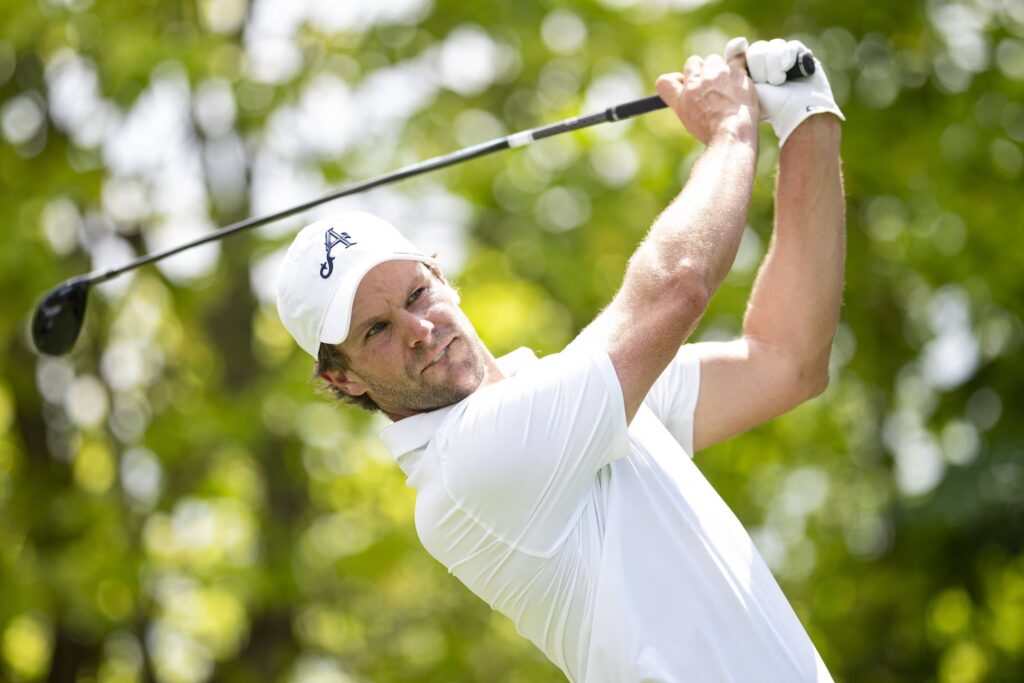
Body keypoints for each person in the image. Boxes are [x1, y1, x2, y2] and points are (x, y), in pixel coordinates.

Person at [275, 36, 845, 683]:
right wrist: (732, 127)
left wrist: (807, 116)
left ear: (440, 272)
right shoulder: (466, 466)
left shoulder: (569, 399)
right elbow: (678, 285)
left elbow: (787, 360)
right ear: (341, 375)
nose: (418, 328)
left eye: (416, 292)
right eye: (377, 328)